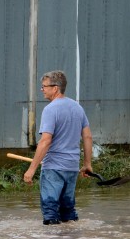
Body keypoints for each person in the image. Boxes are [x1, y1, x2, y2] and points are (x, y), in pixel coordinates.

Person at [22, 71, 93, 225]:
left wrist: (31, 169)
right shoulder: (77, 108)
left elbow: (45, 141)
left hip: (53, 168)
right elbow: (87, 137)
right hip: (72, 167)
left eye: (44, 87)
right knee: (68, 211)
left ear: (55, 88)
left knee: (50, 210)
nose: (42, 90)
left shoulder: (50, 109)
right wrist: (87, 164)